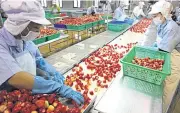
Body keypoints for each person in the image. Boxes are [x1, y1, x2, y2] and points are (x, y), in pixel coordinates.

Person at [0, 0, 84, 105]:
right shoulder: (1, 43)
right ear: (21, 24)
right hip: (8, 100)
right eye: (35, 28)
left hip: (29, 97)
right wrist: (57, 87)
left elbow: (38, 59)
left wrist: (50, 72)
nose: (38, 32)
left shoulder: (25, 39)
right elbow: (15, 77)